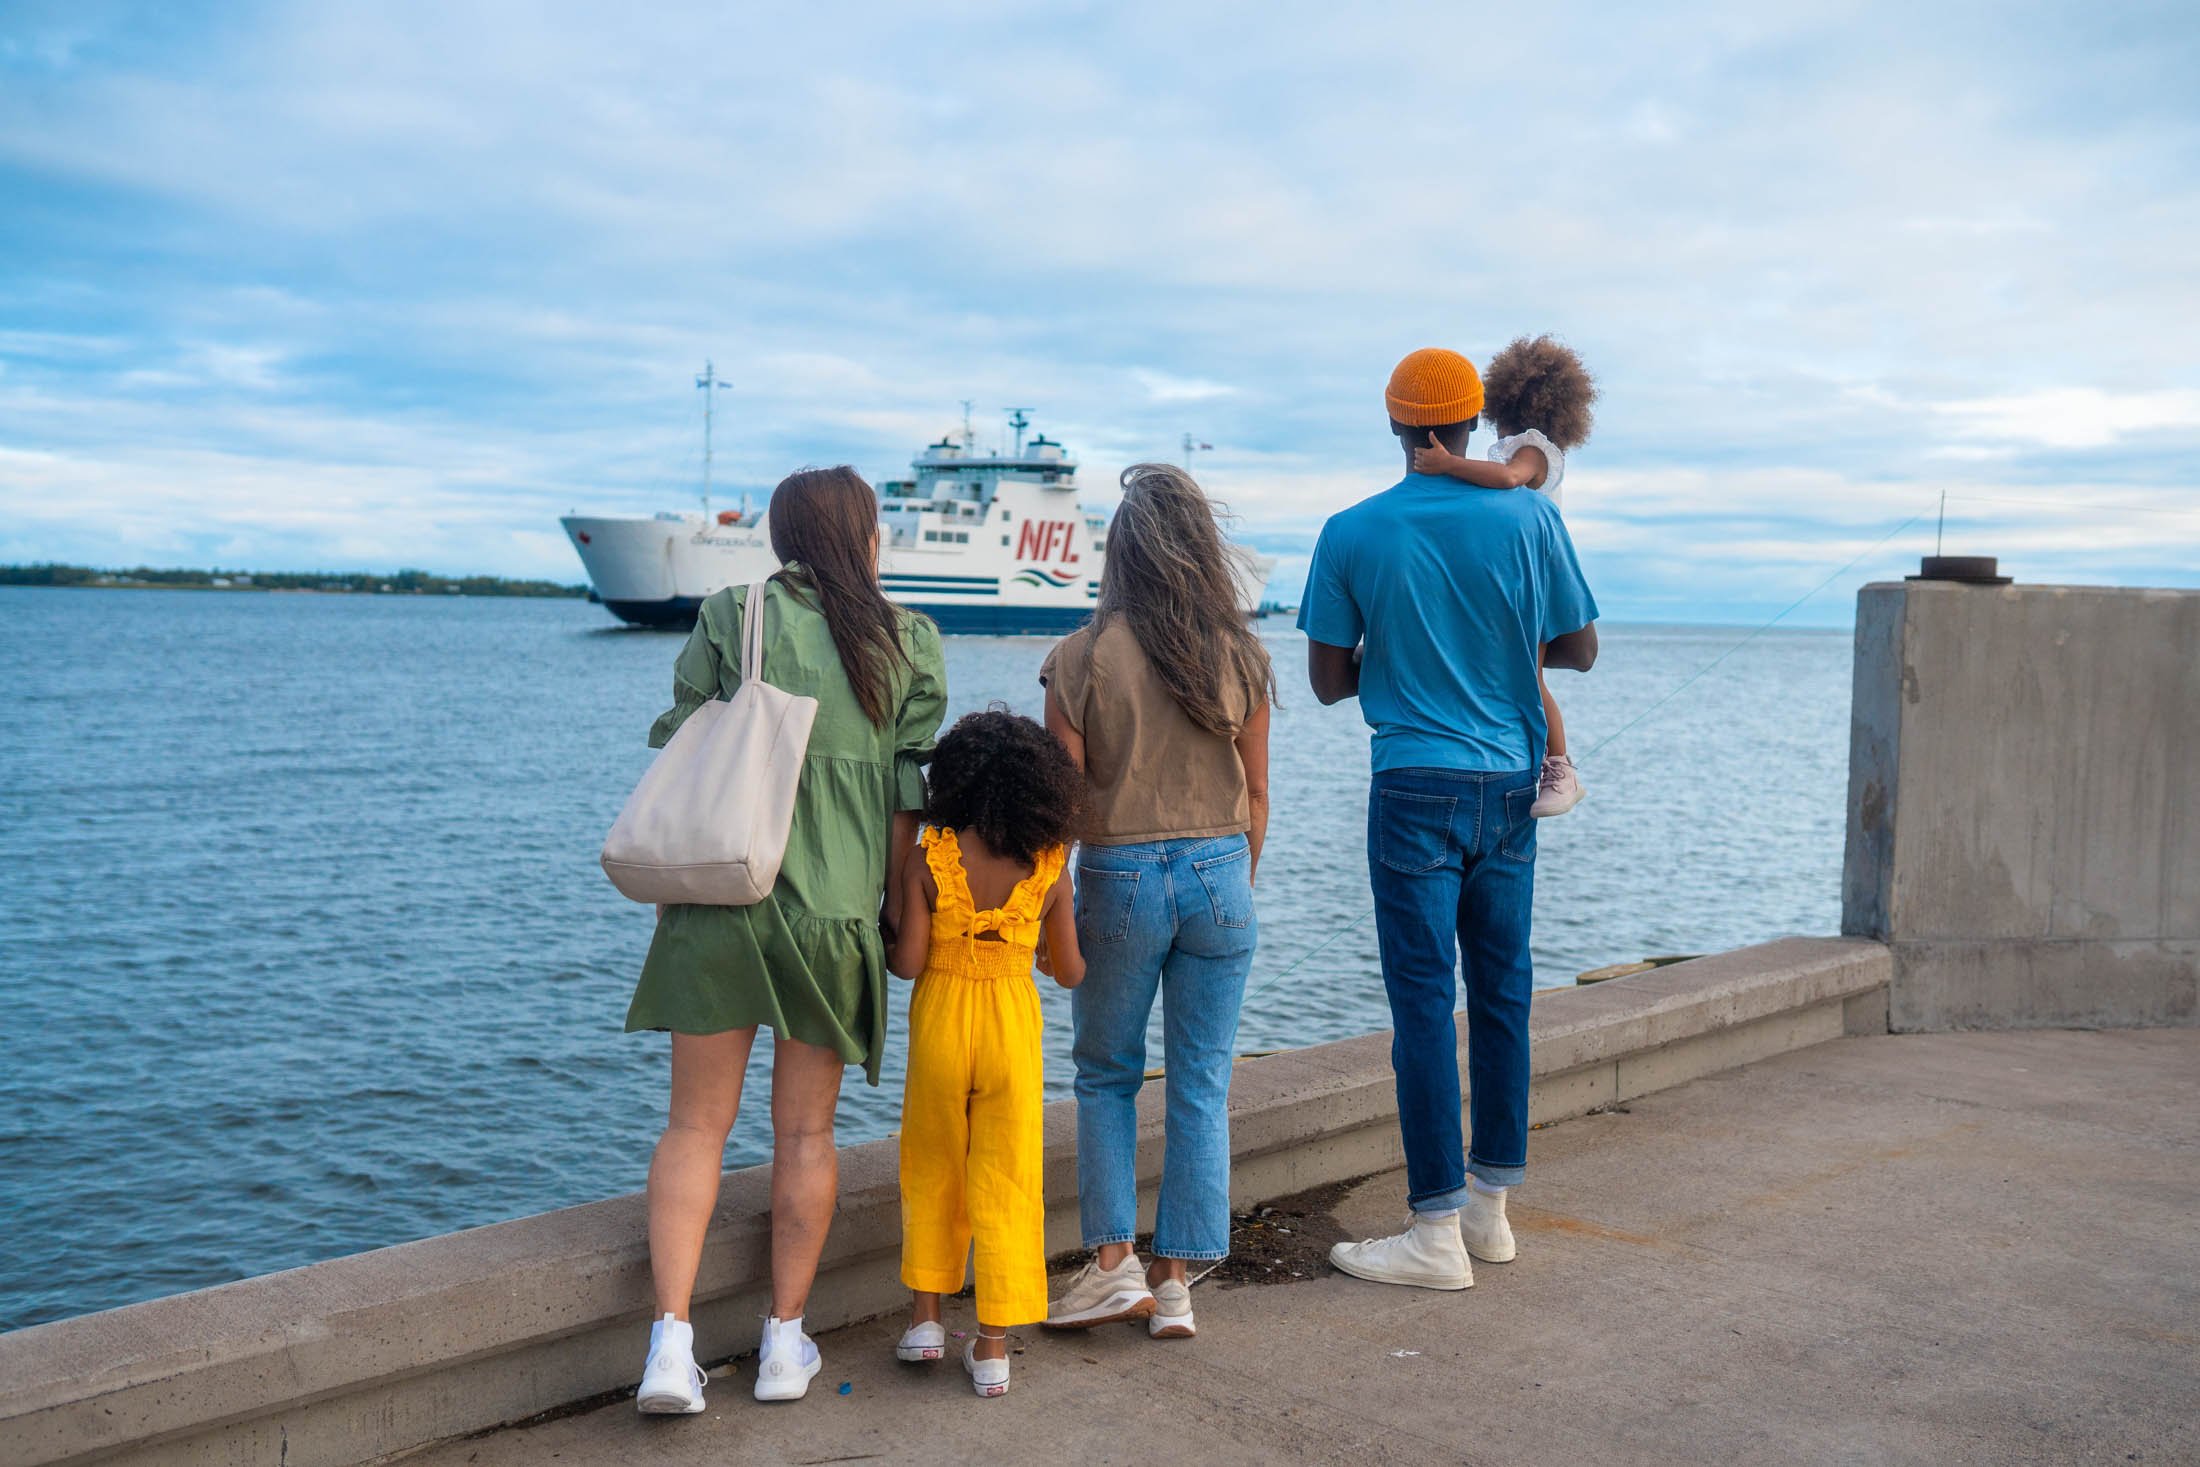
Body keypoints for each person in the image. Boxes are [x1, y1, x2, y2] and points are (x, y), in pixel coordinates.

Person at [629, 467, 947, 1415]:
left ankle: (670, 1349)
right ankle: (780, 1344)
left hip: (723, 900)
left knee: (694, 1127)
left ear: (780, 533)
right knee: (805, 1134)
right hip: (833, 916)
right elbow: (906, 804)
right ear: (868, 535)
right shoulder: (909, 642)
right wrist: (897, 909)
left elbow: (682, 746)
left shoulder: (735, 614)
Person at [1300, 348, 1598, 1292]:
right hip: (1510, 786)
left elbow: (1326, 682)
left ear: (1395, 426)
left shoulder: (1351, 531)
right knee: (1504, 992)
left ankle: (1433, 1231)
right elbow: (1580, 650)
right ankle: (1491, 1212)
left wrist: (1401, 641)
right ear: (1476, 423)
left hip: (1413, 782)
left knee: (1423, 1003)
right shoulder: (1530, 514)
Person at [1039, 463, 1275, 1341]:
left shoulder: (1079, 656)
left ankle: (1111, 1267)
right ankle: (1175, 1282)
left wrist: (1051, 905)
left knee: (1104, 1075)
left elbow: (1055, 814)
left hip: (1118, 876)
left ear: (1119, 552)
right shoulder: (1240, 655)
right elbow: (1257, 796)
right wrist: (1229, 878)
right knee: (1201, 1081)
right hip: (1221, 873)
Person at [888, 710, 1086, 1398]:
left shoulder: (930, 856)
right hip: (1010, 1025)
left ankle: (924, 1323)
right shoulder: (1049, 866)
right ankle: (994, 1347)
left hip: (942, 1020)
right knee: (1005, 1178)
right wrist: (1034, 941)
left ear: (956, 782)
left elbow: (908, 963)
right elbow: (1068, 971)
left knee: (932, 1164)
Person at [1409, 335, 1600, 817]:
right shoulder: (1519, 447)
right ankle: (1547, 762)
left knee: (1531, 677)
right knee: (1525, 676)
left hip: (1528, 581)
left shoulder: (1533, 450)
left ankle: (1560, 766)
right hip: (1514, 577)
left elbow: (1509, 480)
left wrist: (1449, 464)